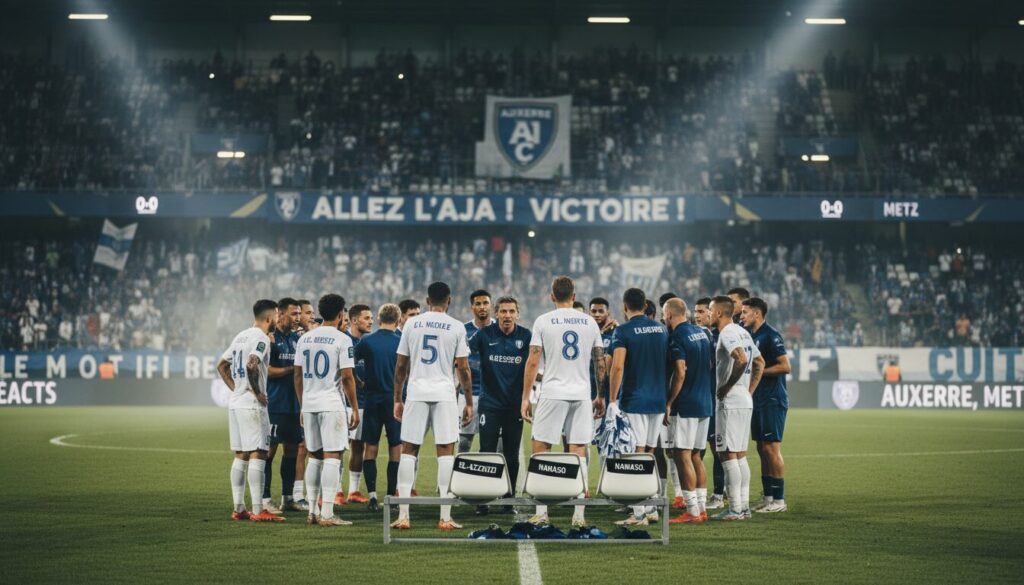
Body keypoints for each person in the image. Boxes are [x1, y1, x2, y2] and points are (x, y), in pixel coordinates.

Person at [521, 276, 605, 528]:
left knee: (541, 448)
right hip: (580, 394)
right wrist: (600, 394)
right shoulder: (590, 322)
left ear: (551, 296)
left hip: (553, 392)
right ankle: (578, 513)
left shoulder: (544, 321)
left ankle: (542, 511)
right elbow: (600, 362)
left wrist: (526, 396)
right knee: (578, 450)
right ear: (574, 295)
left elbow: (533, 360)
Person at [391, 282, 473, 531]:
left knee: (408, 451)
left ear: (427, 301)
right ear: (449, 300)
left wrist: (397, 398)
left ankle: (404, 515)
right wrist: (469, 401)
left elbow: (401, 366)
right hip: (445, 394)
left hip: (416, 392)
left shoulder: (411, 324)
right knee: (446, 451)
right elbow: (464, 369)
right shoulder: (456, 326)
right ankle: (445, 517)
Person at [215, 299, 284, 522]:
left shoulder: (241, 335)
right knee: (259, 452)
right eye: (277, 315)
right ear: (269, 318)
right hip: (252, 405)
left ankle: (239, 508)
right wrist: (256, 391)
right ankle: (258, 510)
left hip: (235, 402)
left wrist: (238, 389)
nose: (278, 319)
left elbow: (221, 365)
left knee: (241, 454)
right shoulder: (261, 338)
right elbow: (252, 364)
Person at [294, 294, 359, 526]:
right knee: (333, 456)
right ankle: (328, 513)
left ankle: (312, 510)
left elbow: (297, 376)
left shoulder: (305, 339)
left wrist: (303, 405)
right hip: (331, 404)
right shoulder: (343, 340)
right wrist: (354, 408)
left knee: (314, 457)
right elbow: (348, 377)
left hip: (310, 404)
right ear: (341, 313)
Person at [607, 288, 669, 527]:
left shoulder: (623, 331)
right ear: (645, 306)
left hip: (635, 400)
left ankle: (639, 513)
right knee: (650, 454)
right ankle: (651, 506)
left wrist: (613, 400)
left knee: (635, 454)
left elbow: (618, 367)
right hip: (658, 400)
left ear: (625, 307)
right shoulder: (661, 329)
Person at [467, 295, 531, 515]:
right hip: (490, 404)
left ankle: (509, 499)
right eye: (503, 311)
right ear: (496, 314)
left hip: (514, 405)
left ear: (518, 314)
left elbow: (532, 366)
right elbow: (463, 353)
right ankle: (483, 498)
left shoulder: (526, 336)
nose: (507, 316)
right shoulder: (484, 335)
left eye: (511, 311)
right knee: (487, 451)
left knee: (512, 454)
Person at [710, 295, 764, 521]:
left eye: (711, 310)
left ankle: (735, 509)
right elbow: (759, 363)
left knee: (727, 454)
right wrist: (748, 391)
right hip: (743, 399)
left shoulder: (728, 332)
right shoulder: (744, 333)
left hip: (731, 400)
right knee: (740, 455)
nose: (709, 313)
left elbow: (741, 360)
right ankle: (743, 508)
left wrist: (726, 387)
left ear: (720, 313)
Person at [663, 298, 714, 524]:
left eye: (665, 315)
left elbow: (680, 372)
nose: (664, 318)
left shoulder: (677, 336)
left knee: (682, 455)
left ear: (670, 315)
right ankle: (702, 507)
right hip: (705, 402)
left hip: (687, 403)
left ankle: (692, 512)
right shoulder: (703, 333)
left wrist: (669, 402)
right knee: (696, 455)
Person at [741, 297, 790, 513]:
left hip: (772, 398)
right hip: (758, 399)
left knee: (772, 449)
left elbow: (785, 366)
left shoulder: (771, 335)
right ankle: (768, 496)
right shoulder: (752, 336)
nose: (741, 315)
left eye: (745, 312)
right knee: (762, 448)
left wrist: (758, 373)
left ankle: (779, 501)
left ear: (757, 313)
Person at [355, 304, 403, 513]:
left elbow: (350, 364)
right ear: (399, 320)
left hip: (372, 399)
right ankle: (391, 497)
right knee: (395, 448)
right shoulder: (402, 341)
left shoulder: (366, 341)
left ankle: (372, 497)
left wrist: (359, 382)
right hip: (395, 401)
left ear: (380, 318)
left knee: (370, 448)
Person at [263, 298, 305, 513]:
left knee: (291, 451)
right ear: (280, 314)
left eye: (299, 313)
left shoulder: (298, 339)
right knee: (268, 452)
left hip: (294, 406)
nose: (298, 317)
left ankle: (288, 498)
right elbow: (267, 370)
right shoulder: (271, 339)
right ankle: (265, 499)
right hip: (276, 405)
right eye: (294, 314)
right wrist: (293, 370)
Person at [695, 296, 726, 510]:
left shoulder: (719, 337)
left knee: (717, 449)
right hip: (700, 399)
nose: (697, 316)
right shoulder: (697, 336)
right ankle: (700, 495)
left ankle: (718, 494)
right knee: (698, 451)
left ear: (711, 313)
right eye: (695, 312)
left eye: (701, 312)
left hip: (715, 401)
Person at [344, 304, 373, 505]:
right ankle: (336, 491)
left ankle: (353, 490)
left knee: (358, 447)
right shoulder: (345, 341)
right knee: (335, 448)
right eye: (366, 318)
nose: (371, 321)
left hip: (364, 403)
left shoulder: (369, 342)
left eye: (371, 318)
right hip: (345, 404)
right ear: (354, 320)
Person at [460, 290, 493, 454]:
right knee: (464, 444)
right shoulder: (462, 330)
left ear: (491, 305)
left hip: (494, 395)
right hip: (469, 394)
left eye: (485, 303)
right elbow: (456, 363)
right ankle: (458, 479)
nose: (482, 307)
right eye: (478, 303)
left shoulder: (500, 327)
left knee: (495, 445)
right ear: (472, 307)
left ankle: (492, 479)